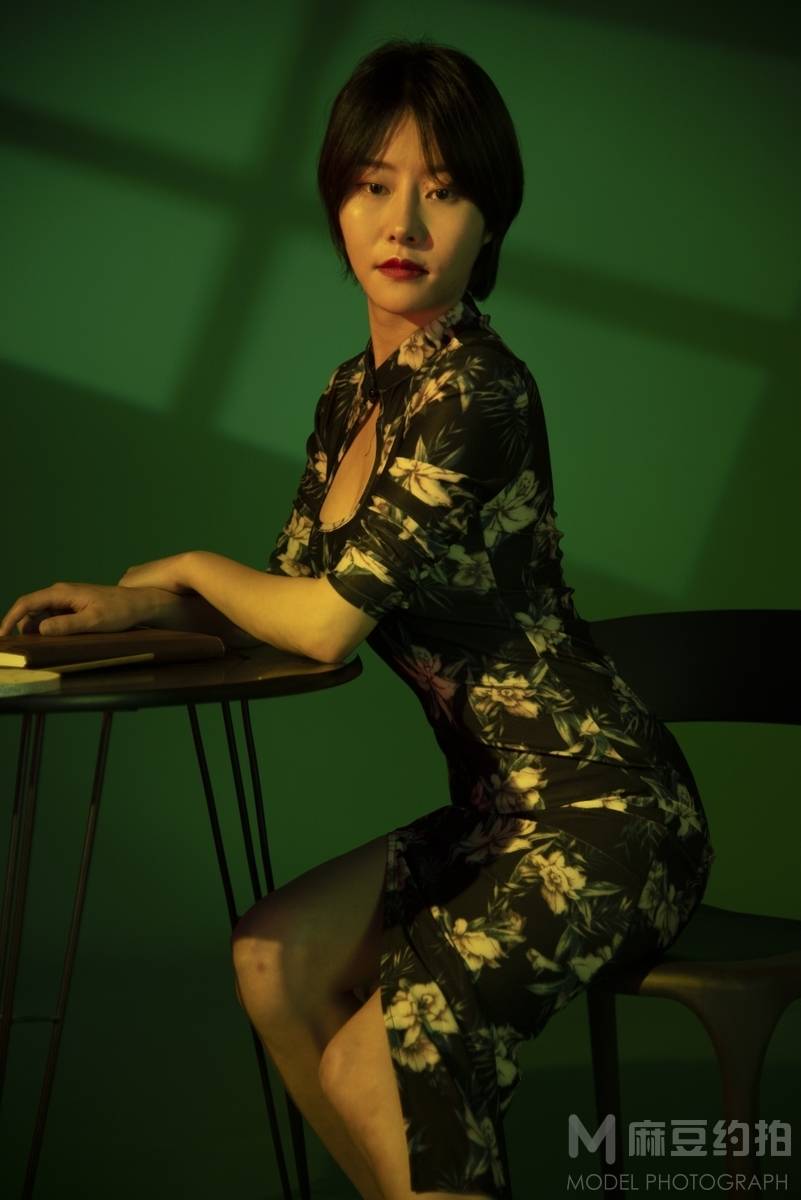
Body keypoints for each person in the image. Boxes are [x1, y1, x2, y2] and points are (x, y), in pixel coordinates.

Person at [0, 37, 715, 1200]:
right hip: (496, 815)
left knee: (390, 1049)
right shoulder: (351, 397)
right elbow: (282, 591)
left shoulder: (479, 390)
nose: (405, 223)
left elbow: (327, 623)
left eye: (445, 191)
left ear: (491, 222)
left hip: (607, 816)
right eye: (376, 185)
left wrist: (189, 563)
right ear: (337, 202)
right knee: (272, 960)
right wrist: (134, 606)